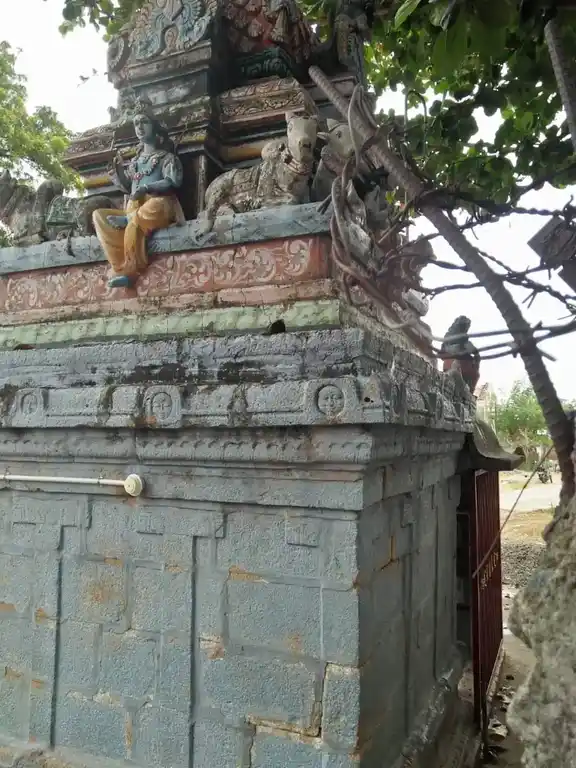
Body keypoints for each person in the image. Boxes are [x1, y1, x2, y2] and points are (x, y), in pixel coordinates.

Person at [93, 106, 184, 288]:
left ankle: (131, 271)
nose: (139, 127)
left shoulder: (166, 157)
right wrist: (117, 174)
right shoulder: (135, 162)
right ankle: (119, 267)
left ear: (154, 126)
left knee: (136, 221)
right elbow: (129, 187)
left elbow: (173, 181)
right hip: (135, 205)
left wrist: (147, 188)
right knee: (99, 216)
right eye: (136, 123)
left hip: (160, 204)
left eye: (144, 122)